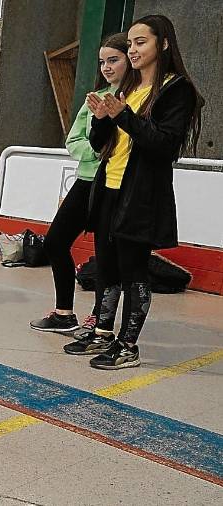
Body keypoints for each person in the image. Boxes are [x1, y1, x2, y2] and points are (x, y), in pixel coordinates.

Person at [76, 14, 204, 369]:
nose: (132, 50)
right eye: (129, 43)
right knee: (106, 265)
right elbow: (101, 144)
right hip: (109, 188)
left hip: (141, 195)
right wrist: (101, 118)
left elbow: (163, 144)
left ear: (163, 44)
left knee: (134, 271)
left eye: (140, 42)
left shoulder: (176, 90)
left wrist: (123, 116)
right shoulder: (127, 88)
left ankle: (128, 344)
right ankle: (102, 332)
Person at [30, 33, 130, 336]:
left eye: (113, 60)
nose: (107, 67)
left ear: (130, 60)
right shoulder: (94, 99)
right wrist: (98, 150)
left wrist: (105, 148)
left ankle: (101, 319)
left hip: (113, 186)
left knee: (105, 254)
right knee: (55, 242)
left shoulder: (135, 99)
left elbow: (126, 145)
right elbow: (74, 141)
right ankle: (64, 313)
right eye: (102, 62)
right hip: (85, 181)